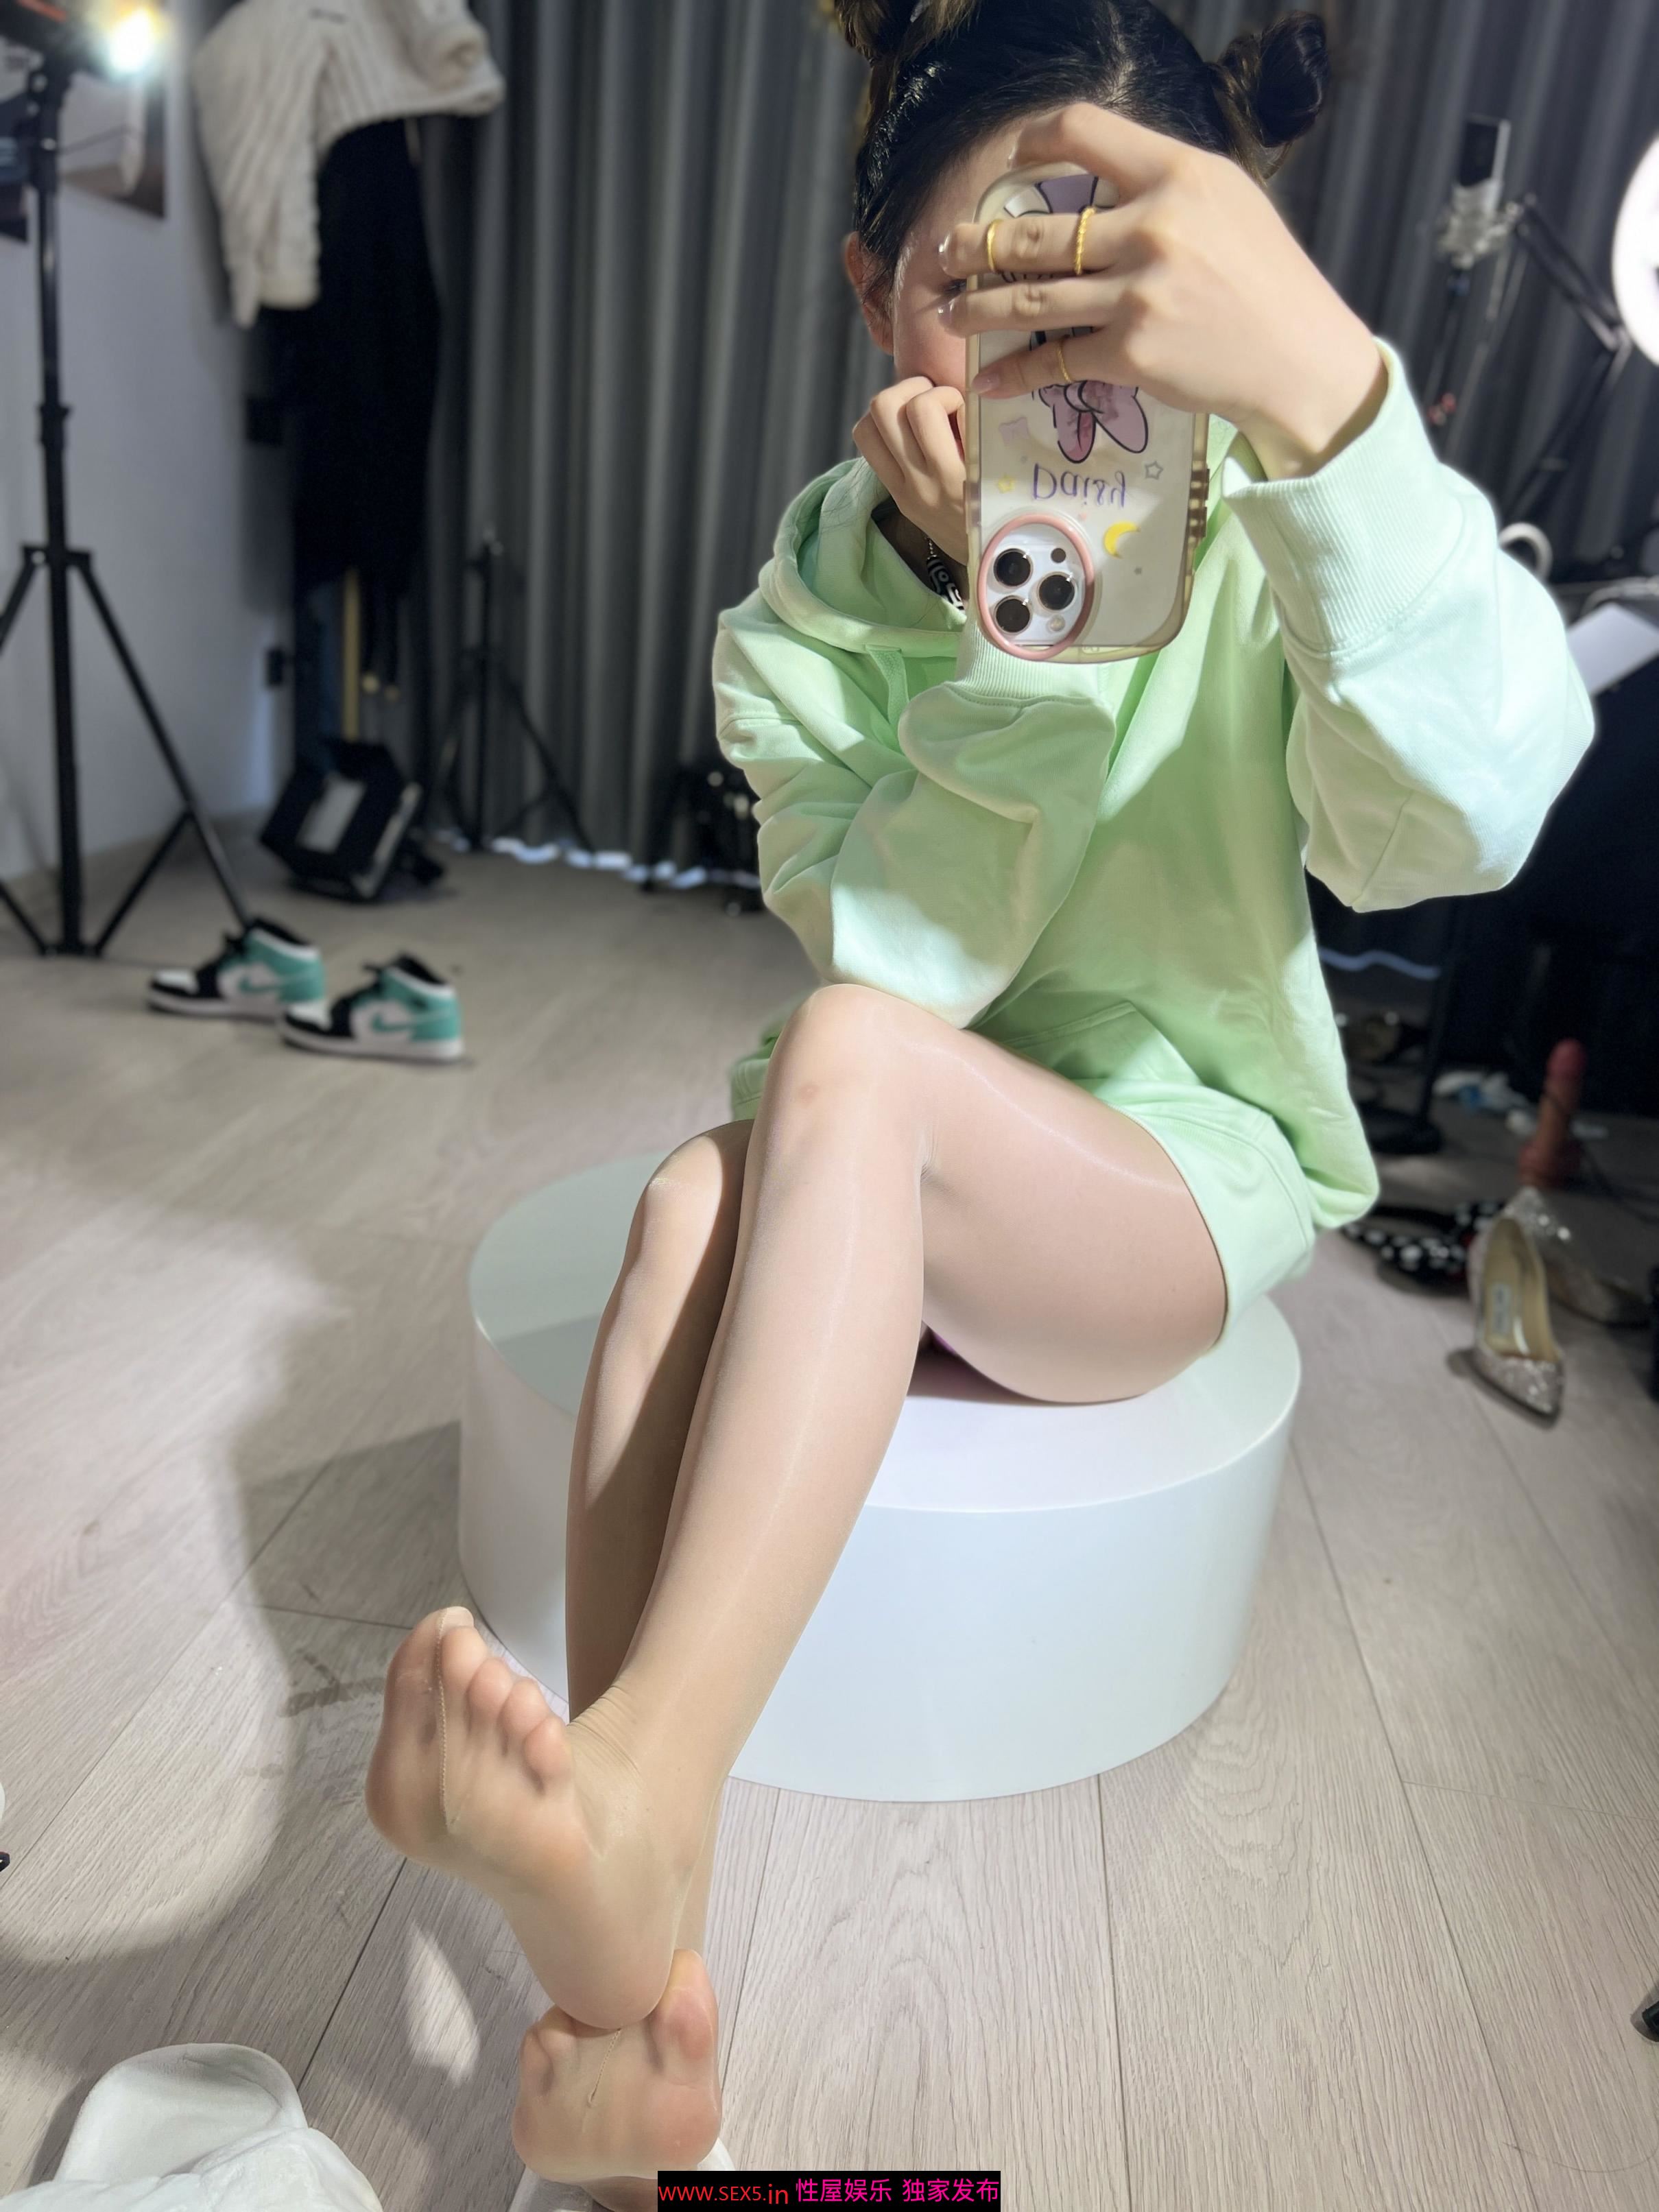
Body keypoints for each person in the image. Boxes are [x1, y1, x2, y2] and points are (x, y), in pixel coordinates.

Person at [363, 3, 1595, 2202]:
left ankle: (636, 1798)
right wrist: (1010, 645)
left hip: (1166, 1181)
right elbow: (899, 959)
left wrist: (1324, 397)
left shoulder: (1267, 526)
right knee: (685, 1205)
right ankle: (640, 2020)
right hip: (902, 1166)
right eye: (981, 280)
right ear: (873, 291)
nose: (1041, 353)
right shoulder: (809, 608)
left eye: (1100, 275)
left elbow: (1455, 827)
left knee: (838, 1072)